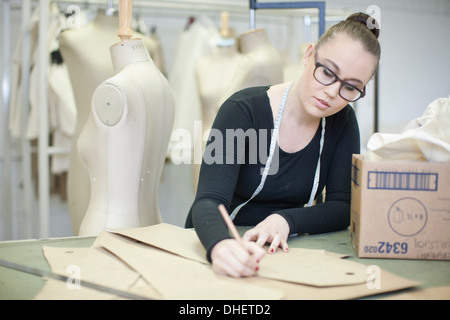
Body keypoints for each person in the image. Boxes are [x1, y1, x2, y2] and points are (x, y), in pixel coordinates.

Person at [185, 12, 381, 278]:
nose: (333, 92)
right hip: (222, 239)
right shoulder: (242, 111)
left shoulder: (342, 122)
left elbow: (343, 206)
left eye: (351, 87)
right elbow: (208, 200)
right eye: (327, 72)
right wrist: (220, 246)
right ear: (308, 55)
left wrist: (286, 220)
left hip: (285, 248)